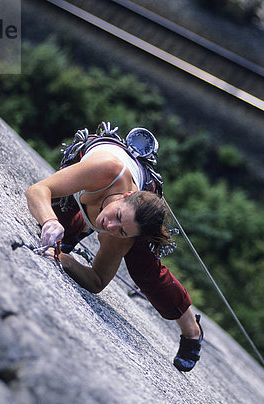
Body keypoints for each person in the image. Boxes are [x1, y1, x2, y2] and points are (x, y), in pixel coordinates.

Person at [25, 127, 203, 372]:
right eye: (117, 216)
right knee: (56, 215)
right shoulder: (103, 171)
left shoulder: (123, 234)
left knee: (144, 269)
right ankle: (75, 227)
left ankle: (192, 330)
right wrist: (49, 221)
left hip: (137, 204)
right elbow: (37, 190)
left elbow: (97, 281)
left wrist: (64, 259)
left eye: (121, 230)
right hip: (103, 174)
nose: (109, 225)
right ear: (127, 195)